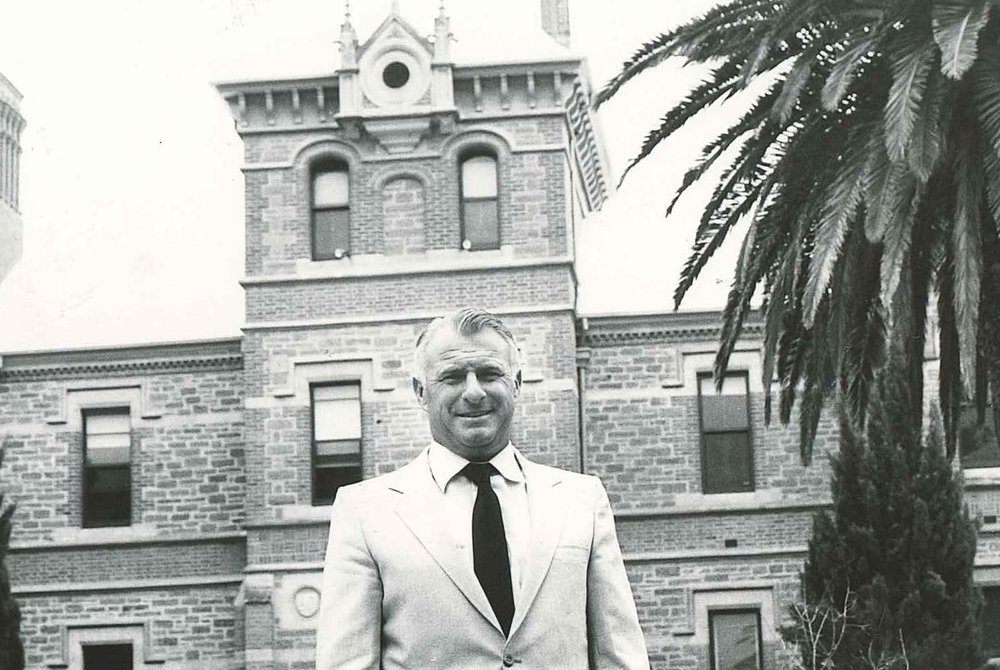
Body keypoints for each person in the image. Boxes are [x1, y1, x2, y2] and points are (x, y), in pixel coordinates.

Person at [316, 307, 649, 669]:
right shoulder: (365, 511)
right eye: (453, 377)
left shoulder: (580, 500)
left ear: (517, 383)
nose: (473, 392)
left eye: (490, 374)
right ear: (420, 391)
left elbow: (620, 656)